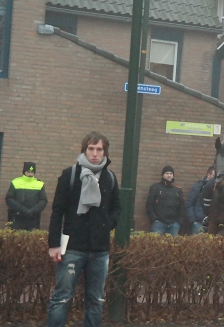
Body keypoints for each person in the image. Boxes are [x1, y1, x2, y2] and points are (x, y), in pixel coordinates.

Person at [47, 131, 121, 327]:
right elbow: (57, 211)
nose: (95, 153)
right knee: (61, 298)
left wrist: (107, 225)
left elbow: (116, 209)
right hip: (72, 247)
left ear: (105, 152)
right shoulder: (69, 175)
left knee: (96, 300)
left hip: (99, 249)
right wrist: (54, 244)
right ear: (84, 150)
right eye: (91, 149)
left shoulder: (110, 178)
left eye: (99, 149)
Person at [6, 162, 47, 230]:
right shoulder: (15, 182)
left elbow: (43, 200)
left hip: (33, 218)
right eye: (28, 172)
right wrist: (23, 210)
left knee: (32, 239)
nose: (30, 174)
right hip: (17, 217)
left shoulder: (40, 183)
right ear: (24, 172)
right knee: (16, 238)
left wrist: (32, 211)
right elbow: (9, 199)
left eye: (32, 172)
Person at [146, 165, 185, 236]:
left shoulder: (178, 189)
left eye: (171, 174)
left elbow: (182, 206)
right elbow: (149, 204)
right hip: (159, 223)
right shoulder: (155, 188)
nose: (169, 175)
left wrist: (179, 221)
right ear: (163, 175)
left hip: (174, 224)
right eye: (167, 173)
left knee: (173, 246)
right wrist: (154, 219)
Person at [186, 166, 215, 234]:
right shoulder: (198, 186)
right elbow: (189, 203)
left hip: (212, 224)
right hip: (199, 223)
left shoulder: (218, 189)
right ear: (208, 175)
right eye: (214, 176)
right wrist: (193, 221)